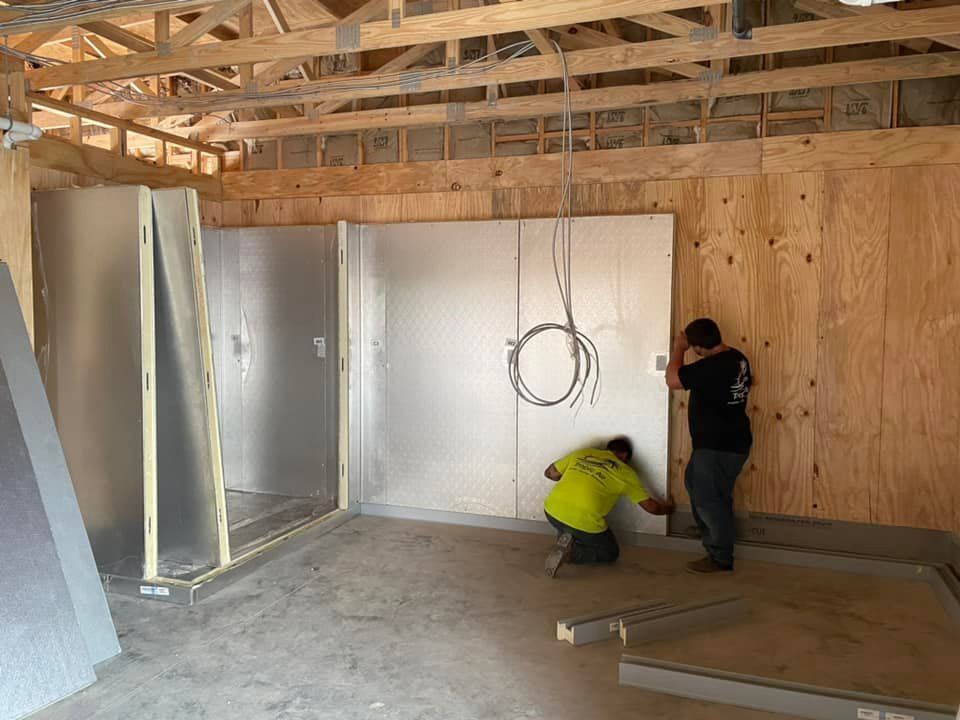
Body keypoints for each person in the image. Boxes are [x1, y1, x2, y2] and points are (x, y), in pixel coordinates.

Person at [666, 318, 752, 574]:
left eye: (691, 346)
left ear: (697, 347)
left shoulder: (711, 366)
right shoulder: (737, 357)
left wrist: (678, 348)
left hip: (717, 446)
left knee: (709, 500)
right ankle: (710, 529)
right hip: (728, 442)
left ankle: (719, 556)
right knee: (696, 484)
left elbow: (672, 380)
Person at [542, 437, 674, 578]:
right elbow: (652, 508)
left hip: (551, 511)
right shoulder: (626, 473)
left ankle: (566, 535)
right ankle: (572, 553)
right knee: (610, 552)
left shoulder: (583, 453)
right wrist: (669, 509)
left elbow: (549, 473)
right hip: (584, 521)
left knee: (570, 520)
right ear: (625, 455)